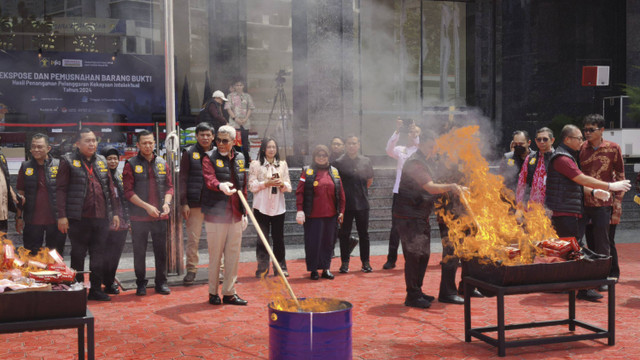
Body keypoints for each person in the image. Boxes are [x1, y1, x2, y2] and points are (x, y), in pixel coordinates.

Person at [545, 124, 630, 302]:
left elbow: (575, 183)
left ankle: (566, 285)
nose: (582, 141)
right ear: (568, 139)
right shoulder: (562, 158)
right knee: (574, 251)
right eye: (579, 138)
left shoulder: (568, 156)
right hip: (564, 212)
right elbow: (580, 178)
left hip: (568, 210)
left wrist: (592, 192)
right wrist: (609, 186)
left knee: (571, 250)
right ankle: (580, 288)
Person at [393, 129, 466, 309]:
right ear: (422, 144)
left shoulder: (427, 161)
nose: (434, 149)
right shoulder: (416, 163)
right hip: (408, 215)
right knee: (414, 255)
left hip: (420, 215)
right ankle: (412, 295)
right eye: (432, 145)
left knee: (423, 255)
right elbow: (430, 187)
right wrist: (452, 186)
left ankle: (417, 291)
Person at [56, 128, 120, 301]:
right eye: (87, 141)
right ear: (77, 143)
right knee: (78, 254)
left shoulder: (101, 160)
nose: (92, 144)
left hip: (101, 217)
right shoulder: (67, 160)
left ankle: (96, 289)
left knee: (99, 254)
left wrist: (114, 212)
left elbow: (109, 188)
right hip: (78, 217)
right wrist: (62, 215)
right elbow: (60, 190)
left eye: (94, 140)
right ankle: (77, 289)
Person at [201, 125, 249, 306]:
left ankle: (229, 292)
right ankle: (213, 292)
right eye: (218, 140)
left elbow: (242, 185)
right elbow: (209, 178)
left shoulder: (240, 157)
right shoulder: (209, 157)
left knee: (233, 255)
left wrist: (244, 212)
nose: (220, 144)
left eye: (224, 141)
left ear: (233, 141)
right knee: (215, 256)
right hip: (215, 215)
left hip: (235, 214)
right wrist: (220, 185)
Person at [123, 130, 174, 296]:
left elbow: (169, 187)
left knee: (161, 251)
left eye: (150, 142)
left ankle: (161, 282)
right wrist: (146, 207)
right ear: (137, 145)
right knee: (139, 251)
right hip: (139, 216)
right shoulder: (130, 163)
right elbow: (128, 192)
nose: (147, 146)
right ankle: (141, 283)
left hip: (160, 215)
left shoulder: (162, 162)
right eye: (144, 143)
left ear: (155, 143)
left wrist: (166, 204)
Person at [579, 114, 625, 283]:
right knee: (590, 241)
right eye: (585, 130)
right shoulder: (581, 149)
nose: (587, 133)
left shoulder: (613, 148)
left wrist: (617, 204)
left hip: (606, 203)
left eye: (591, 129)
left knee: (606, 241)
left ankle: (610, 274)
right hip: (585, 202)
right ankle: (595, 275)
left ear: (602, 130)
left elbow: (621, 176)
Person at [296, 145, 345, 280]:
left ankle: (326, 268)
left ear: (328, 157)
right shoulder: (307, 171)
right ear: (314, 157)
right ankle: (313, 270)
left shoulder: (334, 172)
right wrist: (300, 209)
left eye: (324, 155)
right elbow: (300, 192)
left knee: (328, 243)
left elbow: (340, 193)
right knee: (313, 243)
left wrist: (341, 211)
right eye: (319, 155)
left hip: (331, 215)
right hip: (313, 215)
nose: (321, 158)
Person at [248, 137, 292, 278]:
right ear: (263, 149)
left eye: (274, 147)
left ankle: (281, 267)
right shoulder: (255, 165)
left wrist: (281, 184)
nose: (272, 150)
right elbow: (251, 186)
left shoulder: (283, 165)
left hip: (278, 207)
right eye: (269, 147)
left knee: (279, 238)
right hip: (261, 207)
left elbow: (289, 187)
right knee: (262, 239)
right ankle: (262, 268)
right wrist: (265, 183)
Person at [16, 133, 65, 256]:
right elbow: (20, 194)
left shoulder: (59, 165)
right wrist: (18, 218)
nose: (36, 150)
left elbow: (64, 193)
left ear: (48, 148)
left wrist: (64, 217)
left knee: (55, 256)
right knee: (31, 256)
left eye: (40, 147)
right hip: (32, 221)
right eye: (33, 147)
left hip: (55, 221)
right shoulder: (25, 167)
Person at [383, 118, 421, 269]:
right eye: (410, 132)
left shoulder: (420, 150)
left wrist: (415, 133)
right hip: (399, 192)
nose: (412, 134)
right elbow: (388, 149)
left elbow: (419, 144)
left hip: (416, 193)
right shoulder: (401, 149)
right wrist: (398, 129)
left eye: (415, 132)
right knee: (396, 227)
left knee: (413, 227)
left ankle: (411, 258)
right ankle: (391, 259)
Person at [180, 122, 215, 285]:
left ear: (213, 136)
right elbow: (183, 179)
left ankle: (218, 269)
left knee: (216, 238)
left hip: (214, 204)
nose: (205, 137)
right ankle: (191, 270)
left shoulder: (218, 153)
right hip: (194, 203)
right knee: (193, 239)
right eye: (202, 134)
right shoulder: (189, 153)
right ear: (196, 136)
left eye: (208, 135)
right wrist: (184, 202)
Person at [334, 135, 374, 273]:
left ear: (358, 145)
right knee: (344, 234)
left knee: (364, 234)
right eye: (349, 143)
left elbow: (369, 180)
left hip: (362, 204)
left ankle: (366, 263)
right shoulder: (338, 162)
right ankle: (345, 263)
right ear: (345, 145)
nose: (352, 146)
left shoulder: (366, 161)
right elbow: (336, 184)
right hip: (345, 206)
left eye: (354, 143)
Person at [100, 146, 130, 295]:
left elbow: (125, 200)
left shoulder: (120, 176)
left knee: (116, 254)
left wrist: (128, 220)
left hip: (122, 223)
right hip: (105, 222)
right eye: (109, 158)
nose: (112, 161)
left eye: (115, 159)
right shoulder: (101, 177)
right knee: (105, 254)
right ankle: (104, 281)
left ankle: (110, 281)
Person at [515, 127, 555, 206]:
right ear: (535, 141)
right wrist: (519, 205)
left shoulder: (558, 158)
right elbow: (522, 183)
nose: (542, 142)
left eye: (545, 139)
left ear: (552, 140)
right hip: (531, 208)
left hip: (550, 207)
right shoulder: (530, 158)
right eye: (539, 139)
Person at [225, 80, 255, 161]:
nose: (239, 87)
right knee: (235, 143)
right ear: (234, 86)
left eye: (240, 85)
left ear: (243, 86)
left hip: (245, 123)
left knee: (245, 144)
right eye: (237, 85)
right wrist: (235, 119)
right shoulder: (230, 96)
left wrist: (245, 118)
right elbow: (228, 108)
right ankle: (235, 161)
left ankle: (246, 162)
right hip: (234, 123)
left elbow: (250, 108)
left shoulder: (247, 96)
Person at [0, 146, 19, 234]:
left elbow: (3, 177)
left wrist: (10, 190)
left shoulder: (1, 155)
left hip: (2, 207)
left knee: (3, 239)